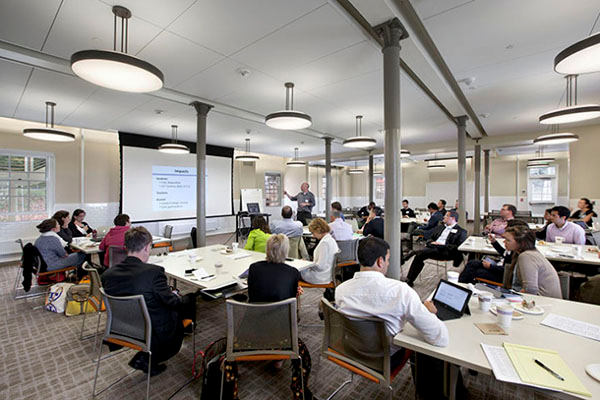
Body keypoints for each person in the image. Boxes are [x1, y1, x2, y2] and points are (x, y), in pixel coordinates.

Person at [335, 237, 461, 399]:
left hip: (351, 350)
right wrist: (429, 313)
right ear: (380, 261)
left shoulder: (341, 289)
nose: (388, 264)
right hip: (385, 358)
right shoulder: (401, 291)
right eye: (388, 260)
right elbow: (440, 338)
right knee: (427, 345)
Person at [101, 227, 197, 376]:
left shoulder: (108, 274)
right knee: (189, 299)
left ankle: (149, 354)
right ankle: (167, 345)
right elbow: (172, 303)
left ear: (126, 247)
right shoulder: (153, 272)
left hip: (122, 327)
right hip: (152, 328)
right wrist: (175, 295)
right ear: (147, 247)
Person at [233, 234, 314, 400]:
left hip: (251, 330)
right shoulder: (292, 272)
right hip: (281, 334)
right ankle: (280, 357)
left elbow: (253, 292)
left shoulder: (254, 268)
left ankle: (242, 359)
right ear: (286, 251)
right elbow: (289, 298)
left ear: (267, 249)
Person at [404, 210, 468, 287]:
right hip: (434, 248)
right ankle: (410, 279)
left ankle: (410, 256)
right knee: (419, 256)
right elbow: (430, 238)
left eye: (446, 215)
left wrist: (441, 245)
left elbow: (457, 246)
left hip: (446, 251)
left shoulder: (461, 231)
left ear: (452, 218)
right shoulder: (440, 227)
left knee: (421, 254)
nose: (444, 217)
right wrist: (431, 243)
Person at [459, 220, 528, 284]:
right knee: (472, 263)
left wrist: (490, 266)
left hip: (504, 277)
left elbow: (509, 270)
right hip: (500, 270)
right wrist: (494, 242)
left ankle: (462, 285)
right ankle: (462, 284)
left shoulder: (520, 254)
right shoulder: (514, 249)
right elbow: (505, 254)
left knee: (474, 271)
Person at [502, 225, 562, 298]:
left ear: (521, 243)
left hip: (542, 301)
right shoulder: (528, 253)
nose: (504, 242)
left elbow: (530, 290)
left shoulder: (527, 256)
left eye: (508, 240)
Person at [300, 218, 339, 284]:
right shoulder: (331, 240)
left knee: (294, 272)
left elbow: (320, 267)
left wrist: (307, 264)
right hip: (328, 275)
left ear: (317, 230)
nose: (313, 235)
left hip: (320, 277)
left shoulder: (324, 244)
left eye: (313, 232)